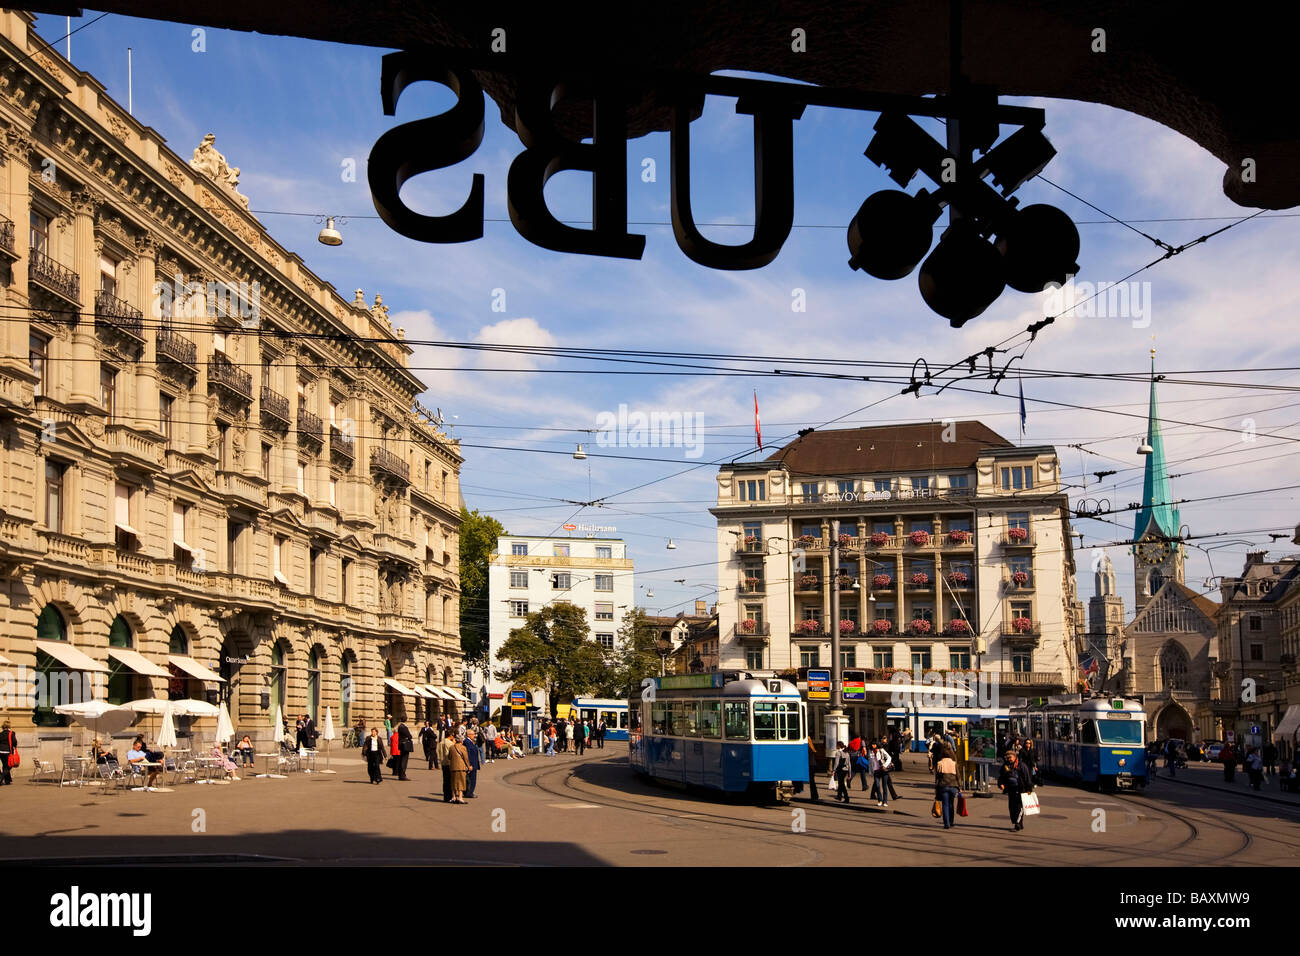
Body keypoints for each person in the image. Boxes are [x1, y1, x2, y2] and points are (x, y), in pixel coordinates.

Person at [998, 749, 1034, 831]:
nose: (1009, 759)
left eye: (1010, 757)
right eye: (1007, 758)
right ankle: (1019, 824)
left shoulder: (1021, 765)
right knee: (1012, 807)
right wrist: (1001, 784)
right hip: (1011, 789)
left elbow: (1027, 778)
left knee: (1019, 808)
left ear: (1014, 757)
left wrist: (1029, 789)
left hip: (1020, 789)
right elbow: (1001, 777)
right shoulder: (1005, 766)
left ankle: (1017, 825)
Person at [934, 744, 961, 829]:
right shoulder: (954, 763)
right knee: (951, 804)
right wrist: (959, 787)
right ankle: (951, 821)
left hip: (943, 786)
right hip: (953, 786)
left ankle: (946, 824)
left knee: (945, 804)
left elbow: (937, 777)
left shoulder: (939, 763)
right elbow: (958, 776)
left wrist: (936, 788)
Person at [447, 732, 471, 804]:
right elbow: (466, 758)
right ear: (461, 740)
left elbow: (449, 757)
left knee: (453, 782)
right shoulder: (463, 747)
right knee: (461, 782)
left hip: (453, 767)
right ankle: (460, 797)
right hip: (461, 767)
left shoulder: (451, 747)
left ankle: (453, 797)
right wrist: (468, 766)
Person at [437, 728, 457, 801]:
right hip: (449, 763)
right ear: (451, 735)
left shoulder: (441, 742)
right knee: (450, 781)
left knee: (445, 781)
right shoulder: (450, 743)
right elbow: (450, 753)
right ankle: (450, 796)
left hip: (443, 762)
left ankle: (446, 796)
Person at [463, 731, 481, 798]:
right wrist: (469, 765)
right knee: (471, 779)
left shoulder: (470, 742)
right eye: (473, 734)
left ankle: (469, 792)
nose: (474, 735)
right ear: (469, 735)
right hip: (471, 764)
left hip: (473, 763)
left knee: (471, 779)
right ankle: (469, 793)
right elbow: (468, 754)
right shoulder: (467, 742)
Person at [806, 737, 820, 802]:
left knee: (812, 782)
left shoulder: (807, 748)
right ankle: (815, 795)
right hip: (813, 765)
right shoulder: (812, 747)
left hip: (810, 765)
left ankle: (814, 796)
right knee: (812, 782)